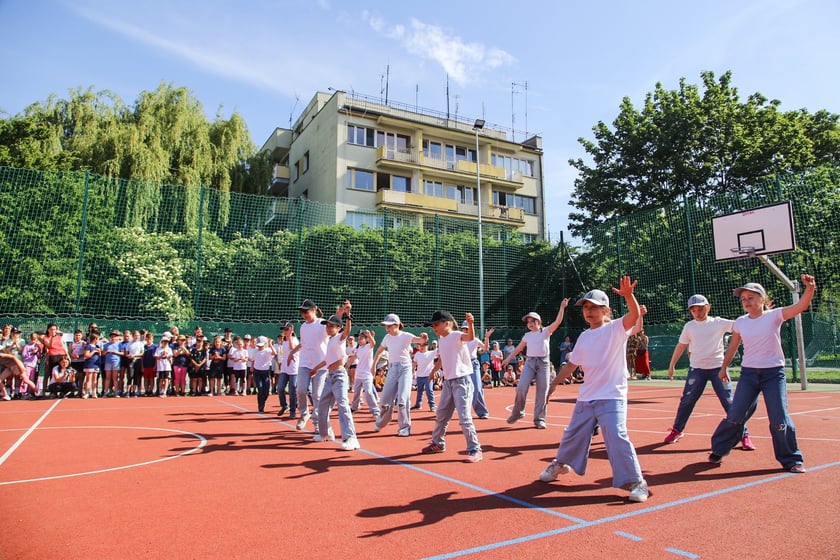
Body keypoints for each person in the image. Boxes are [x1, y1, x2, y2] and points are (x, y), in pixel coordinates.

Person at [541, 278, 649, 503]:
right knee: (573, 434)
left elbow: (634, 316)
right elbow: (571, 365)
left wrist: (628, 296)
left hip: (611, 396)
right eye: (585, 307)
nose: (588, 311)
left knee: (617, 436)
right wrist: (553, 384)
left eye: (593, 307)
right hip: (587, 397)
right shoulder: (584, 336)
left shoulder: (616, 328)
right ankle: (560, 465)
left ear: (606, 310)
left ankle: (637, 482)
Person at [709, 276, 816, 473]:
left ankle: (791, 460)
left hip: (773, 374)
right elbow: (733, 347)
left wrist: (809, 289)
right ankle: (719, 449)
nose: (746, 301)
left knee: (779, 418)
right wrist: (723, 368)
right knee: (734, 414)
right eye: (743, 299)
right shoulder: (740, 323)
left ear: (762, 299)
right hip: (749, 374)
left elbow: (800, 306)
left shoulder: (774, 315)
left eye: (750, 297)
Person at [664, 295, 756, 449]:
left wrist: (758, 313)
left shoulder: (718, 323)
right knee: (687, 401)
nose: (697, 312)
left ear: (708, 307)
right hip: (697, 370)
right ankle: (677, 430)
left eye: (700, 308)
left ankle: (743, 435)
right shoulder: (689, 327)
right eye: (693, 310)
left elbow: (740, 326)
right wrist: (672, 364)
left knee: (730, 402)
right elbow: (681, 346)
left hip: (718, 369)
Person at [421, 310, 483, 463]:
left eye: (436, 324)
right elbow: (442, 359)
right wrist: (433, 372)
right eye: (432, 325)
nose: (434, 327)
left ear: (447, 323)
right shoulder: (441, 340)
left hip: (462, 382)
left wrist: (470, 323)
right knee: (441, 415)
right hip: (448, 383)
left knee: (464, 417)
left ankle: (475, 449)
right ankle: (438, 443)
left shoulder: (456, 335)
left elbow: (470, 337)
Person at [501, 299, 570, 429]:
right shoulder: (527, 335)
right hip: (530, 362)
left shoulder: (545, 331)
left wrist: (562, 307)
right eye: (528, 322)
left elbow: (558, 322)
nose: (530, 324)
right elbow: (518, 349)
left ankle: (539, 419)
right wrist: (508, 359)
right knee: (521, 388)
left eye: (532, 321)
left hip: (543, 363)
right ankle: (517, 413)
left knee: (542, 392)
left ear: (538, 322)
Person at [372, 313, 428, 436]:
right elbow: (380, 350)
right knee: (385, 400)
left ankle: (405, 427)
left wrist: (424, 338)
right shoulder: (387, 337)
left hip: (405, 368)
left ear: (397, 325)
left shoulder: (405, 336)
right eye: (386, 326)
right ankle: (381, 422)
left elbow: (420, 340)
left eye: (389, 326)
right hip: (392, 369)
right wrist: (373, 365)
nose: (387, 328)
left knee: (402, 399)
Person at [311, 312, 360, 450]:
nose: (328, 328)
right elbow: (328, 360)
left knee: (343, 404)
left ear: (338, 327)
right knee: (322, 405)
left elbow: (347, 331)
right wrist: (315, 368)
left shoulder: (339, 338)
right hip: (330, 376)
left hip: (339, 375)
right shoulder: (330, 341)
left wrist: (348, 316)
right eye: (327, 326)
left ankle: (351, 438)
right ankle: (325, 434)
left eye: (331, 326)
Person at [349, 330, 380, 420]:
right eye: (358, 338)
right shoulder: (358, 349)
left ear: (366, 340)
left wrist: (369, 335)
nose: (359, 340)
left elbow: (373, 343)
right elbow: (354, 356)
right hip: (359, 374)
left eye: (361, 338)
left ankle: (375, 411)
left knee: (369, 392)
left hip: (367, 374)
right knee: (356, 393)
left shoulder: (368, 347)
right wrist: (348, 364)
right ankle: (354, 408)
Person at [251, 336, 277, 413]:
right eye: (258, 345)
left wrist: (271, 345)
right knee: (260, 388)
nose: (260, 347)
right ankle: (260, 406)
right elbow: (253, 360)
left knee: (266, 391)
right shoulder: (255, 351)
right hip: (257, 372)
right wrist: (252, 366)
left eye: (261, 345)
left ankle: (263, 401)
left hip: (265, 372)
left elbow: (275, 353)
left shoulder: (268, 350)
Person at [411, 339, 437, 411]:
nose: (422, 347)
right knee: (419, 391)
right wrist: (413, 372)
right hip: (419, 376)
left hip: (428, 376)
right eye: (421, 345)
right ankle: (418, 405)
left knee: (429, 390)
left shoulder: (431, 353)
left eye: (424, 345)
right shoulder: (417, 354)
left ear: (427, 346)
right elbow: (414, 364)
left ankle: (432, 405)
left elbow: (439, 351)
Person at [82, 331, 102, 399]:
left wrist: (99, 352)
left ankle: (94, 392)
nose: (98, 341)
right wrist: (94, 351)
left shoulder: (97, 346)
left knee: (95, 379)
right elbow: (86, 355)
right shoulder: (88, 346)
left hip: (96, 365)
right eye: (98, 339)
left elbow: (99, 355)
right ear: (95, 339)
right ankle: (87, 392)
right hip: (89, 364)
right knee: (88, 379)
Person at [154, 332, 174, 397]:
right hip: (160, 367)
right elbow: (157, 358)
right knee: (160, 379)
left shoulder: (169, 349)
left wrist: (167, 355)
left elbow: (170, 358)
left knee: (166, 379)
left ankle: (165, 391)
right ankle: (160, 391)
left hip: (167, 367)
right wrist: (162, 355)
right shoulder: (158, 349)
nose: (165, 343)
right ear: (162, 342)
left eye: (167, 342)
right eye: (164, 342)